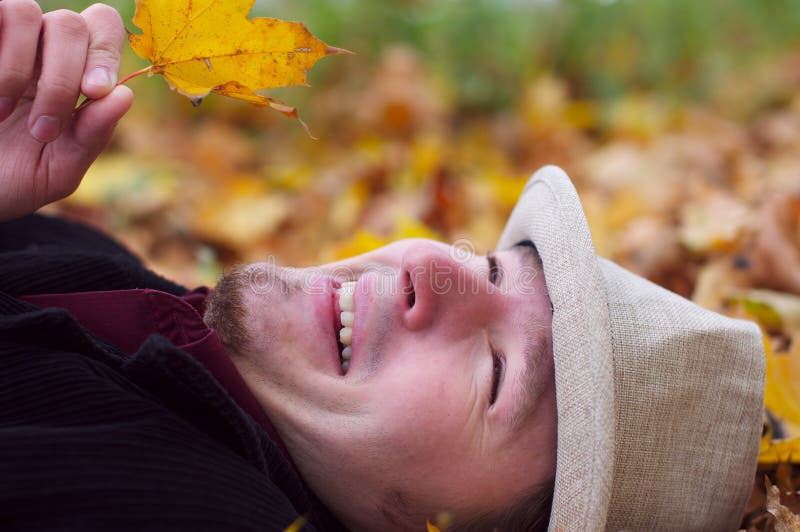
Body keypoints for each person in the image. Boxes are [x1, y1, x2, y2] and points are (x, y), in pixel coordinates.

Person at [0, 2, 764, 531]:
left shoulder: (172, 504)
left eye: (495, 374)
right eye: (490, 269)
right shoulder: (97, 263)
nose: (432, 268)